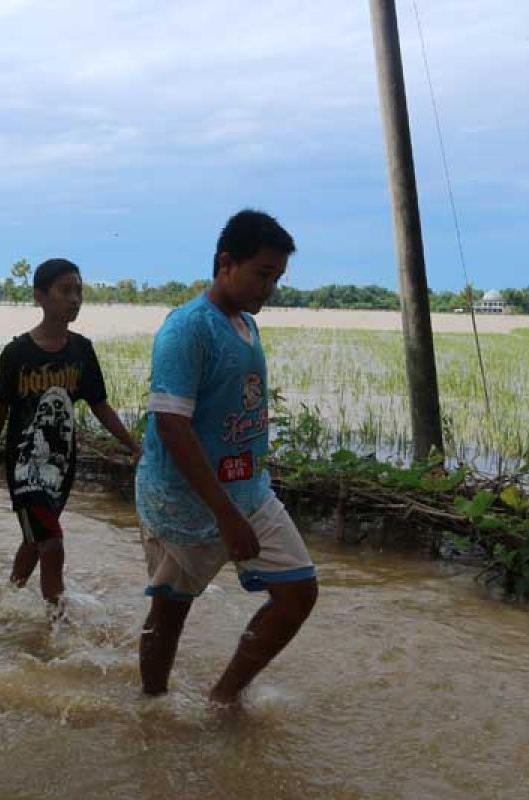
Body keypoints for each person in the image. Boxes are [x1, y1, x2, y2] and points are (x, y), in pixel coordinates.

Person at [136, 210, 318, 706]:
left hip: (249, 492)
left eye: (278, 277)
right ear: (225, 263)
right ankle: (151, 709)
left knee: (299, 593)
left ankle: (224, 697)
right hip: (188, 503)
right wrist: (225, 514)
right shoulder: (187, 329)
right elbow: (171, 426)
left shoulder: (244, 324)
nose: (271, 287)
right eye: (263, 274)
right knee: (169, 614)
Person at [0, 258, 141, 621]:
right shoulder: (17, 353)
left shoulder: (81, 350)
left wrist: (133, 445)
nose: (75, 299)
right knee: (52, 544)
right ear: (40, 296)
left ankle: (6, 598)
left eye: (79, 290)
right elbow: (0, 409)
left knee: (35, 540)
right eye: (65, 290)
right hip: (24, 467)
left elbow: (99, 405)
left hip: (60, 466)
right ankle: (58, 629)